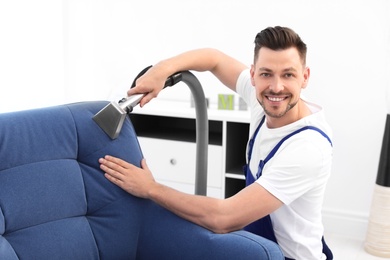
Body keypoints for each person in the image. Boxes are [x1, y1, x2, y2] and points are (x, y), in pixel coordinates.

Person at [99, 26, 333, 260]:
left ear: (305, 77)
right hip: (257, 245)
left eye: (288, 74)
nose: (276, 86)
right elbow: (214, 59)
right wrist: (162, 69)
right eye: (266, 73)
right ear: (253, 75)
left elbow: (224, 219)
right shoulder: (261, 99)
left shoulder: (307, 148)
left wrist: (150, 188)